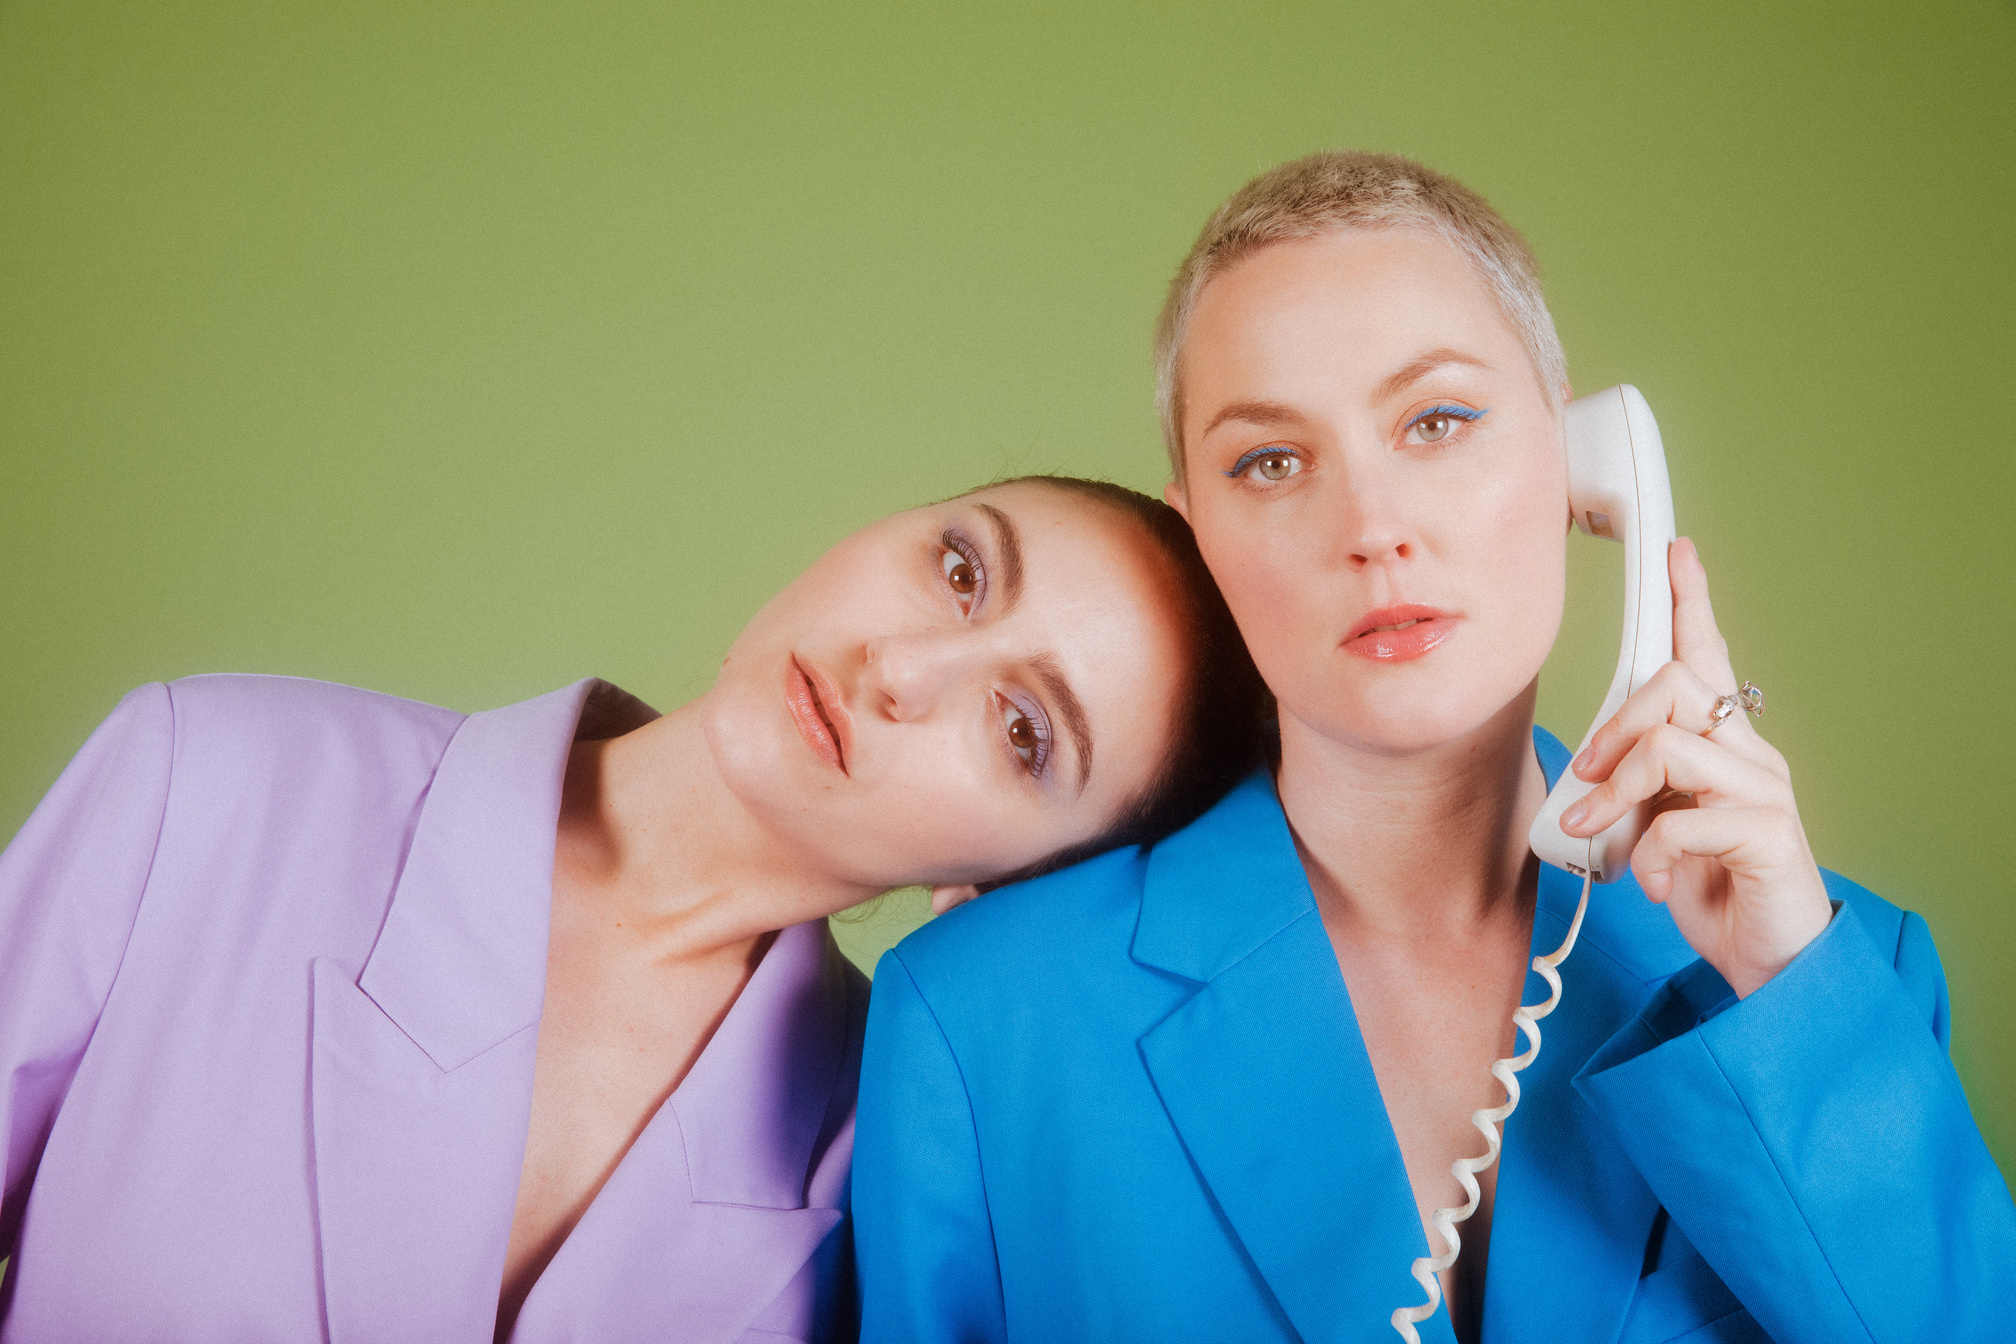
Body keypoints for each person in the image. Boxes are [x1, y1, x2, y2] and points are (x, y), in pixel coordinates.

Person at [852, 154, 2016, 1344]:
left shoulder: (1833, 976)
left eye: (1438, 421)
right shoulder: (984, 1016)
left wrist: (1783, 1001)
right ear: (1200, 535)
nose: (1372, 528)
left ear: (1586, 464)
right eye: (1271, 461)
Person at [0, 474, 1264, 1343]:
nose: (908, 669)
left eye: (1024, 729)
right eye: (959, 568)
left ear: (1016, 884)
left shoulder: (881, 1185)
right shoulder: (216, 780)